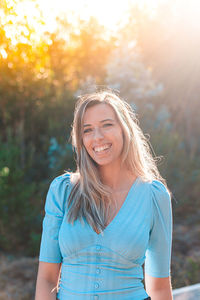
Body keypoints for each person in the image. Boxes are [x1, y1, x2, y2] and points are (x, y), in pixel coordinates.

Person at [35, 90, 173, 300]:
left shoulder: (154, 196)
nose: (97, 137)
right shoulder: (62, 191)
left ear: (124, 129)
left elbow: (160, 287)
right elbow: (46, 279)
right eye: (87, 130)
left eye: (107, 125)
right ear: (80, 139)